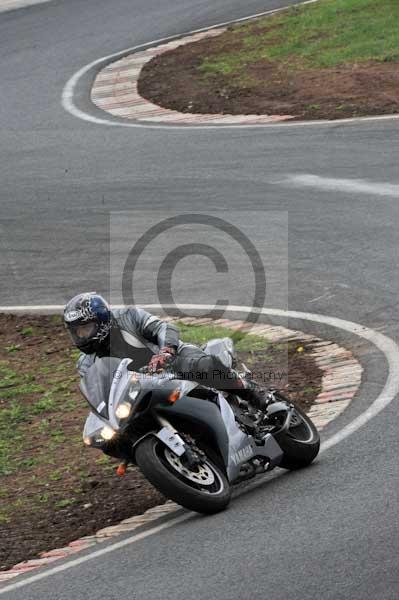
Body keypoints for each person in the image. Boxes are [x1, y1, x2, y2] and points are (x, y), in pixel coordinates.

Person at [64, 292, 267, 456]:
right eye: (76, 332)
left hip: (172, 363)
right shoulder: (85, 364)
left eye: (85, 329)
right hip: (141, 391)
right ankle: (153, 453)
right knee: (107, 439)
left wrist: (166, 351)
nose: (81, 336)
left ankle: (252, 392)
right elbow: (102, 391)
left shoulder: (127, 316)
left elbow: (163, 327)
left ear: (101, 322)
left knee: (203, 367)